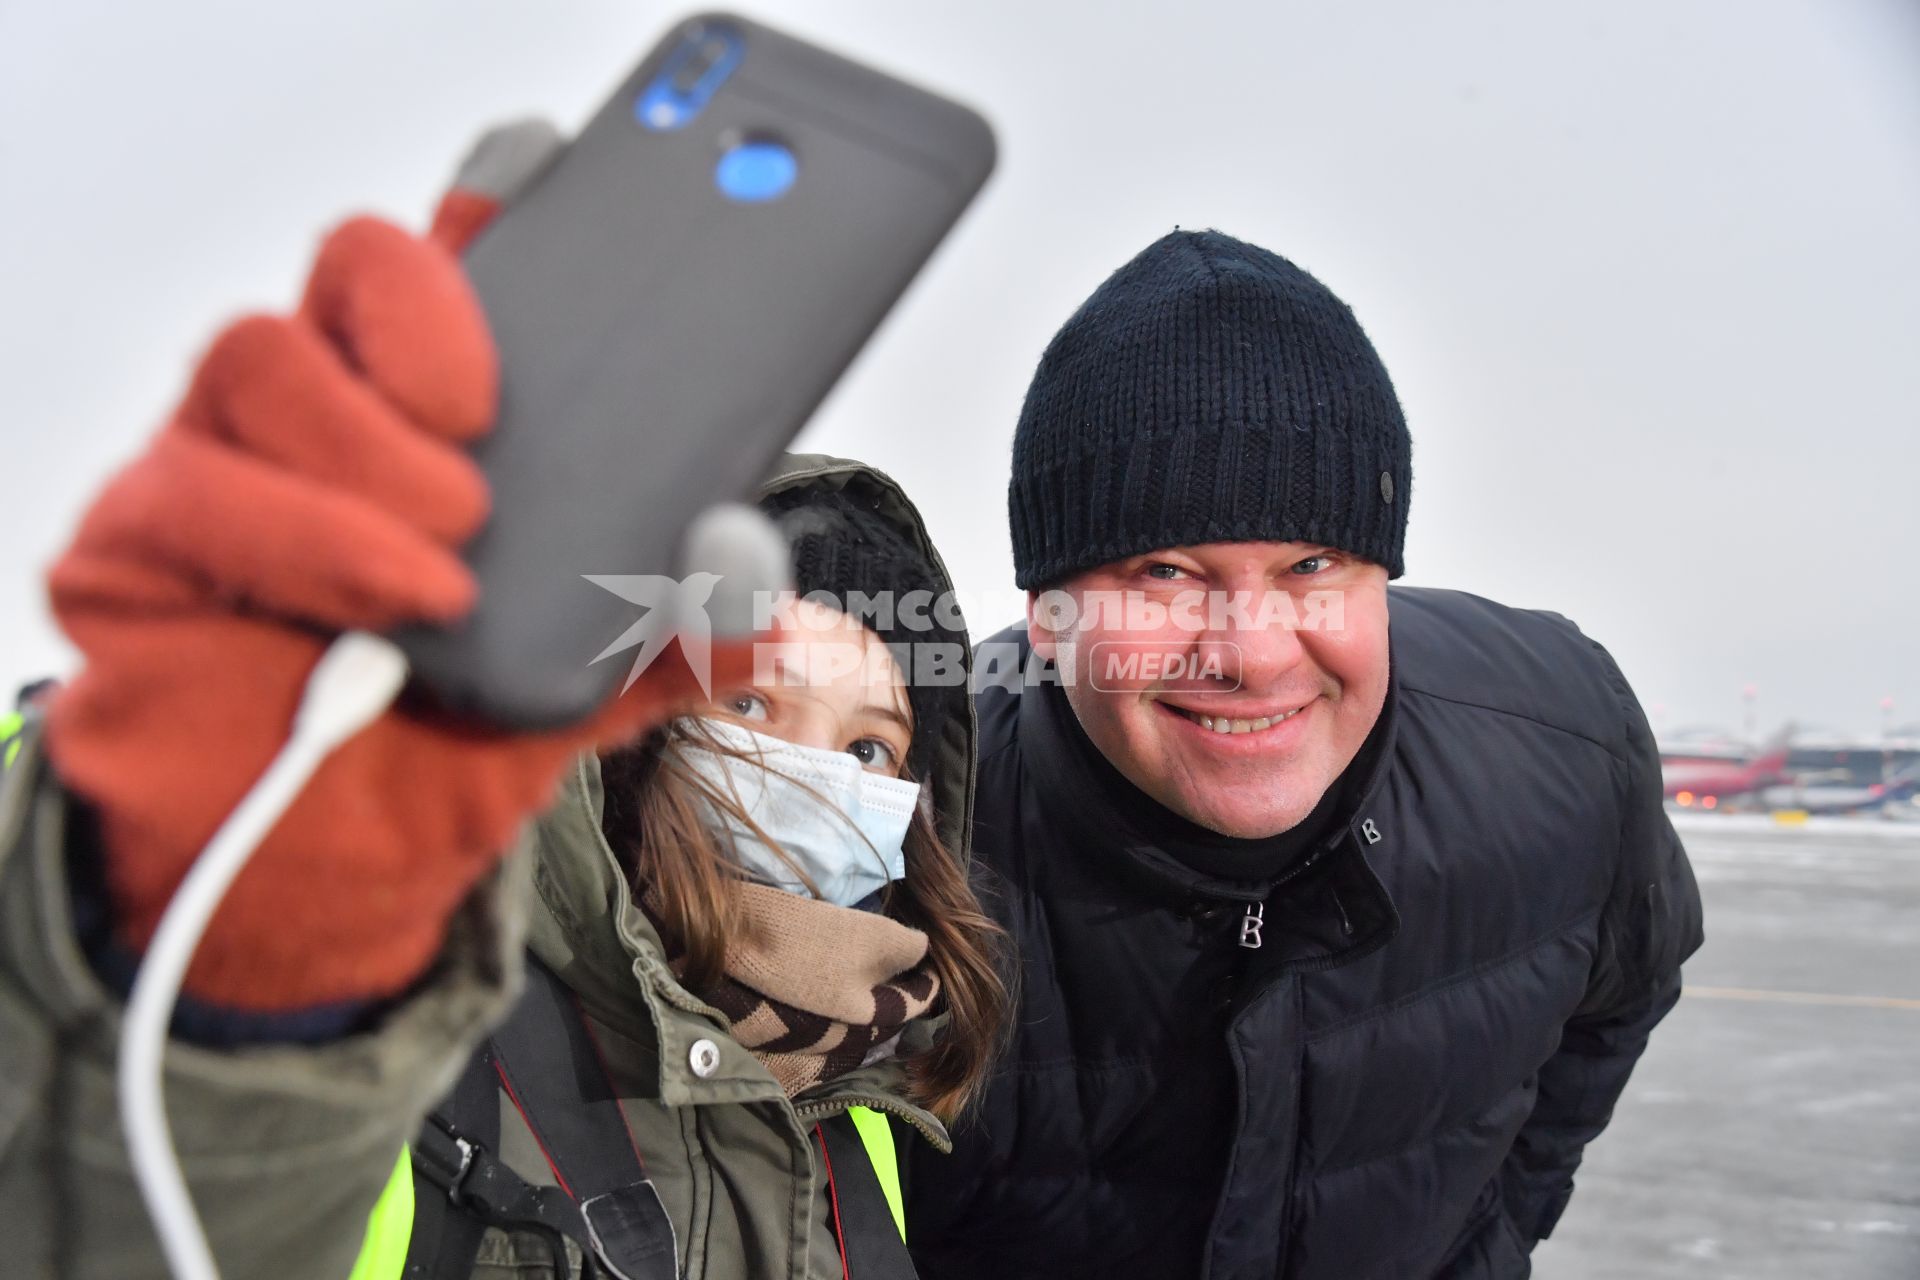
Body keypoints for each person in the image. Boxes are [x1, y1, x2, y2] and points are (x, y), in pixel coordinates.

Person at [0, 127, 1004, 1279]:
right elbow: (134, 1207)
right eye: (756, 707)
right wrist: (198, 946)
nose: (818, 776)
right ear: (638, 718)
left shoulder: (857, 1095)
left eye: (872, 744)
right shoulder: (403, 1020)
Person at [903, 230, 1705, 1279]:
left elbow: (1619, 995)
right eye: (1166, 570)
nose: (1251, 650)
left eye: (1312, 563)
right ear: (1048, 613)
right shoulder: (907, 827)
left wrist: (1486, 1238)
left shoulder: (1559, 745)